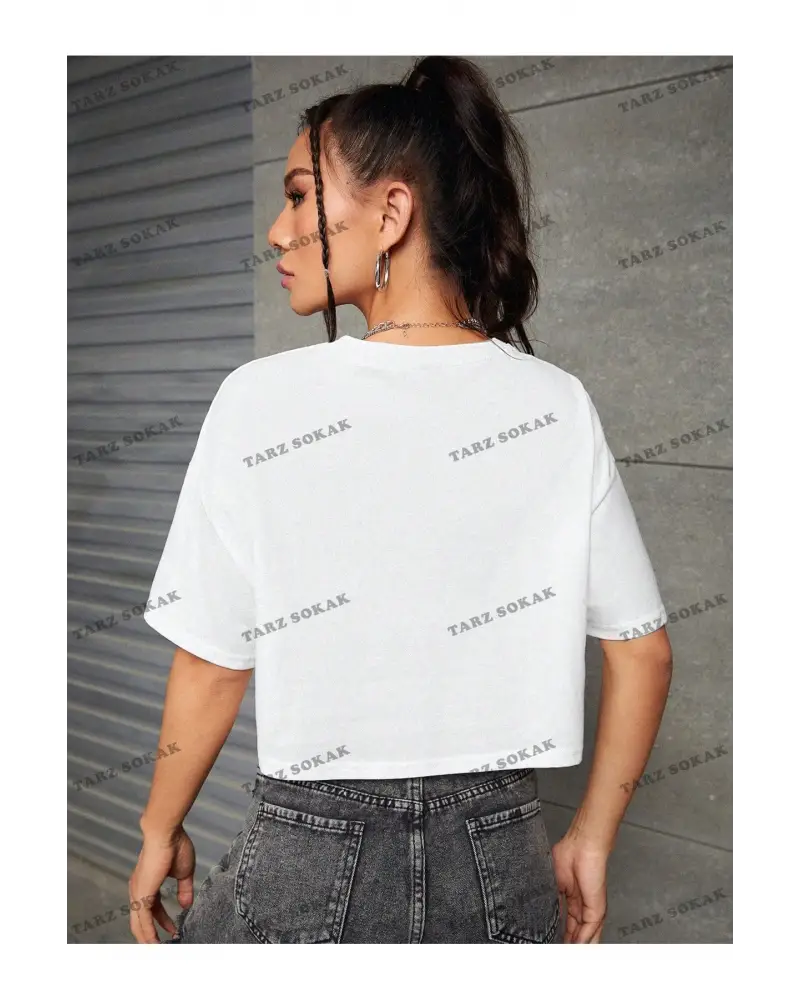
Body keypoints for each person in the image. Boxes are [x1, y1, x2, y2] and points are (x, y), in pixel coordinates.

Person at [128, 55, 672, 945]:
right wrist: (591, 839)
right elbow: (643, 652)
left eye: (299, 197)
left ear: (391, 213)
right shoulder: (557, 404)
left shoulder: (261, 400)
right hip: (504, 861)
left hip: (311, 861)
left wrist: (159, 828)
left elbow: (214, 665)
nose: (277, 230)